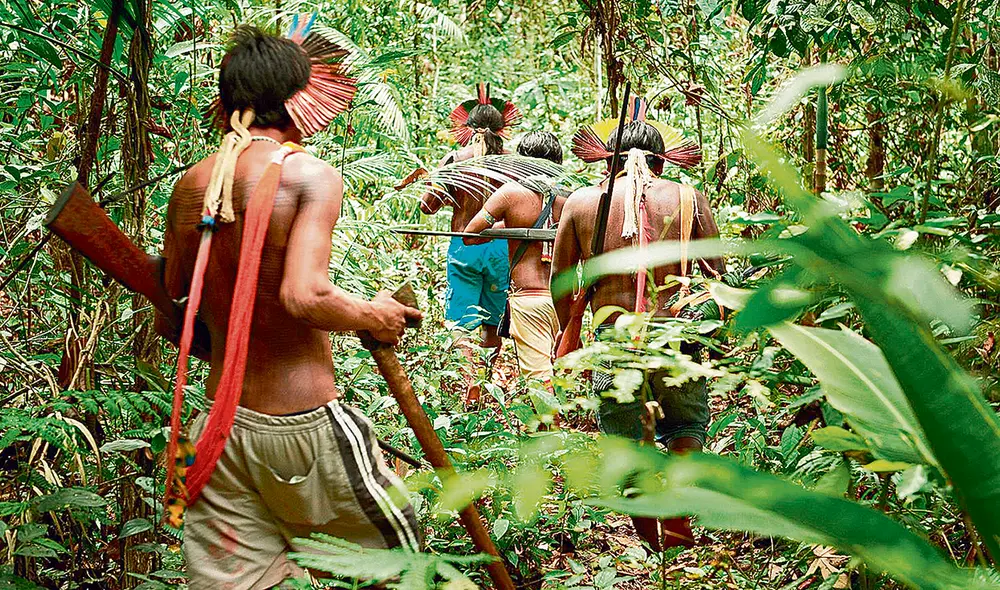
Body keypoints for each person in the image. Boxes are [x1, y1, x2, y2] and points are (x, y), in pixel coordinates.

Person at [156, 26, 423, 589]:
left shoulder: (190, 185)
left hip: (217, 435)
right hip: (300, 430)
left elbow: (171, 318)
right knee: (401, 565)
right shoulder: (309, 175)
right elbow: (305, 295)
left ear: (230, 105)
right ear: (302, 99)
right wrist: (377, 315)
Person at [551, 115, 723, 551]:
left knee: (626, 446)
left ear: (607, 161)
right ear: (662, 163)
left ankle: (657, 546)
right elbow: (716, 275)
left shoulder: (582, 203)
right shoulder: (689, 198)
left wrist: (568, 330)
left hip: (614, 342)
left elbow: (563, 283)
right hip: (679, 335)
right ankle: (680, 539)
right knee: (686, 428)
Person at [419, 83, 521, 405]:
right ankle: (482, 381)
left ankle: (468, 384)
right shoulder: (515, 162)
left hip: (463, 245)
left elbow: (427, 205)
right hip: (500, 248)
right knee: (492, 321)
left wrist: (440, 181)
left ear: (467, 129)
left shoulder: (454, 159)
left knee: (462, 319)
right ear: (502, 130)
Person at [462, 131, 567, 394]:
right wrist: (510, 226)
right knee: (554, 370)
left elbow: (470, 236)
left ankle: (549, 432)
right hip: (563, 301)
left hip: (529, 301)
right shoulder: (573, 198)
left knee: (539, 380)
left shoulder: (510, 194)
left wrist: (508, 224)